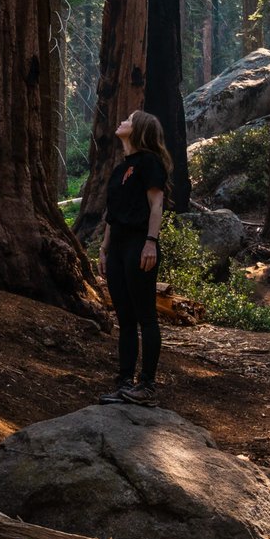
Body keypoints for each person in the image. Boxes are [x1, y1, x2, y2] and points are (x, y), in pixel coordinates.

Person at [97, 109, 172, 405]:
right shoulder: (121, 168)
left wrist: (151, 242)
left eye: (128, 119)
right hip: (117, 247)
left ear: (138, 129)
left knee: (145, 316)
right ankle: (125, 382)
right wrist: (103, 249)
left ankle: (147, 386)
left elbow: (156, 205)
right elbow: (111, 215)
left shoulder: (149, 163)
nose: (122, 122)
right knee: (125, 318)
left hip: (140, 244)